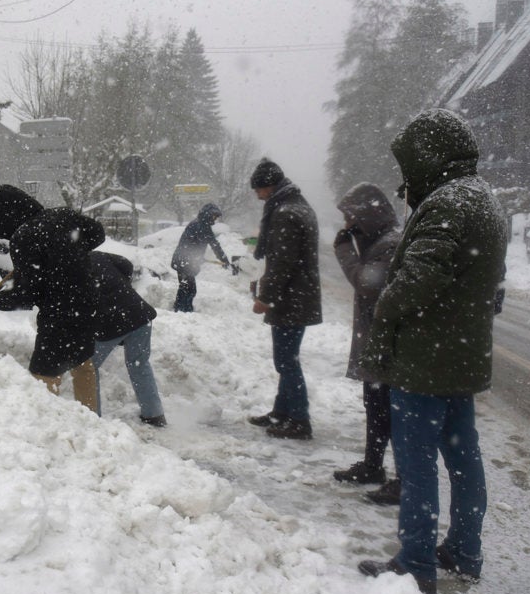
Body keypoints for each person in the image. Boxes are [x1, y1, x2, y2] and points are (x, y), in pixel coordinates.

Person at [357, 109, 507, 594]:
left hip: (425, 358)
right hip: (461, 354)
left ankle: (416, 561)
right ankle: (465, 550)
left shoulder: (448, 204)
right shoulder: (483, 199)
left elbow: (419, 278)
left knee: (416, 462)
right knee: (464, 459)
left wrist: (387, 304)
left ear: (429, 156)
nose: (406, 177)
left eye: (410, 164)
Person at [0, 185, 104, 413]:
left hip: (59, 313)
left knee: (43, 375)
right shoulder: (63, 216)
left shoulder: (23, 237)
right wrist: (69, 253)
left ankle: (46, 430)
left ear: (8, 218)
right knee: (82, 364)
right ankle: (92, 419)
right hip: (87, 305)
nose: (6, 236)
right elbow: (98, 233)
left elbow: (28, 294)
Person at [330, 183, 401, 500]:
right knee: (376, 407)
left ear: (367, 217)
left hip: (387, 344)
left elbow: (366, 284)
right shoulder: (378, 241)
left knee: (391, 411)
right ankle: (373, 465)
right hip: (376, 343)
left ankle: (404, 479)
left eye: (350, 218)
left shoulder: (389, 245)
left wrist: (344, 250)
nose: (346, 226)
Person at [245, 158, 322, 440]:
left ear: (269, 186)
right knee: (287, 358)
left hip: (291, 297)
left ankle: (299, 420)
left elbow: (282, 263)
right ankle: (282, 412)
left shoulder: (285, 213)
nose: (257, 195)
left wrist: (265, 297)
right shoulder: (298, 206)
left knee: (287, 361)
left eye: (259, 189)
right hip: (299, 294)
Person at [89, 250, 166, 426]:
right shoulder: (96, 255)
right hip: (139, 314)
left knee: (87, 367)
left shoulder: (68, 269)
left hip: (112, 322)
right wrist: (122, 285)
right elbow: (126, 264)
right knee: (139, 364)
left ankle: (92, 419)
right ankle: (154, 415)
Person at [170, 203, 235, 312]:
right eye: (214, 216)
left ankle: (181, 309)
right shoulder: (200, 226)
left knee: (186, 287)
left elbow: (197, 245)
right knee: (188, 288)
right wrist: (224, 260)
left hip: (184, 261)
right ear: (208, 214)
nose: (215, 219)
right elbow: (214, 245)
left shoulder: (199, 224)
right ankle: (183, 310)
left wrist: (197, 257)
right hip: (184, 261)